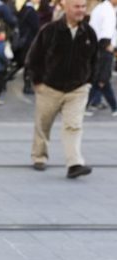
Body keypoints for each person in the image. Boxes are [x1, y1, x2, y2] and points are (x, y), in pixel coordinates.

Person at [26, 0, 97, 178]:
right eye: (77, 6)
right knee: (43, 125)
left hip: (77, 89)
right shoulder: (50, 31)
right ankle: (39, 157)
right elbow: (33, 57)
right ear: (66, 7)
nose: (81, 10)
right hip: (49, 87)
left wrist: (88, 82)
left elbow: (95, 60)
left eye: (83, 7)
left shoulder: (89, 32)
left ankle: (74, 163)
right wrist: (37, 82)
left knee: (74, 126)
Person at [85, 0, 117, 116]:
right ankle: (114, 107)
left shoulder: (102, 8)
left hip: (100, 46)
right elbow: (105, 33)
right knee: (101, 80)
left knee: (100, 80)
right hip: (103, 47)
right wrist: (109, 45)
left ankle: (113, 107)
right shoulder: (106, 10)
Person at [9, 0, 39, 94]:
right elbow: (36, 27)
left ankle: (5, 78)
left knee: (20, 63)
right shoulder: (32, 11)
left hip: (22, 40)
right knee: (28, 64)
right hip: (28, 41)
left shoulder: (23, 9)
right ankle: (27, 86)